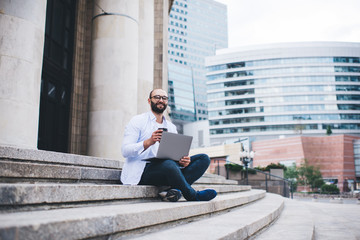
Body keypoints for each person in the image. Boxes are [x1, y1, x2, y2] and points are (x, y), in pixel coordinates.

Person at [121, 89, 217, 202]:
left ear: (167, 102)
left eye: (164, 98)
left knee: (203, 158)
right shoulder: (137, 121)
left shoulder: (171, 127)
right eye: (157, 97)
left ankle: (172, 191)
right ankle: (192, 195)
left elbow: (174, 156)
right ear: (149, 100)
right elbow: (125, 151)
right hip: (142, 171)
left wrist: (182, 162)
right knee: (169, 164)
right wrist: (149, 142)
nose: (161, 100)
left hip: (168, 169)